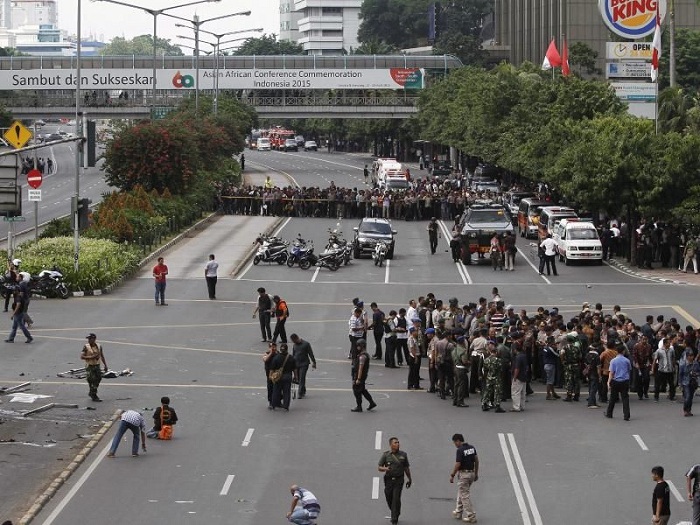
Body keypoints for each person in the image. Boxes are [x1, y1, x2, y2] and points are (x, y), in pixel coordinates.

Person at [378, 436, 412, 525]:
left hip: (399, 480)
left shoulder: (403, 455)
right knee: (389, 497)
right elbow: (379, 467)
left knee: (396, 498)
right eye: (395, 443)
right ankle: (395, 511)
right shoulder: (386, 455)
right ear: (390, 445)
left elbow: (406, 468)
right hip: (389, 480)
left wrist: (410, 479)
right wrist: (385, 469)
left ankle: (394, 519)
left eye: (398, 442)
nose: (397, 444)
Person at [450, 433, 479, 523]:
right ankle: (458, 512)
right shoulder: (472, 447)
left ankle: (471, 516)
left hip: (464, 475)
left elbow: (458, 464)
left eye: (455, 442)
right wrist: (476, 473)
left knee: (464, 496)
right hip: (471, 474)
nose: (455, 444)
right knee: (462, 491)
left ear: (458, 441)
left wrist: (452, 475)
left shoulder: (460, 450)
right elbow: (477, 460)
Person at [605, 343, 631, 420]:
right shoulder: (627, 360)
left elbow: (611, 373)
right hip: (625, 381)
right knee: (625, 398)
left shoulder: (613, 361)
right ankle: (626, 415)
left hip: (616, 381)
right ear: (623, 351)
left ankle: (609, 413)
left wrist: (608, 382)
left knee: (612, 398)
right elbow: (629, 370)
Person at [350, 339, 376, 412]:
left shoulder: (362, 357)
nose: (357, 347)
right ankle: (371, 402)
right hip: (361, 375)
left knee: (357, 391)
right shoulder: (363, 355)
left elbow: (360, 368)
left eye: (358, 346)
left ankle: (359, 406)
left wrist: (358, 378)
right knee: (362, 390)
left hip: (359, 376)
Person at [80, 333, 107, 402]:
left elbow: (102, 356)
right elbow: (82, 356)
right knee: (91, 379)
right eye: (88, 339)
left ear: (94, 339)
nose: (89, 340)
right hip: (90, 366)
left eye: (90, 339)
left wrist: (105, 365)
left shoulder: (99, 346)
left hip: (97, 365)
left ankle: (92, 392)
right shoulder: (86, 347)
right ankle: (94, 394)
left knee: (98, 378)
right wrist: (91, 357)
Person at [270, 343, 297, 410]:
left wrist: (271, 376)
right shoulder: (291, 358)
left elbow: (272, 368)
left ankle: (273, 405)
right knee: (286, 392)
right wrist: (296, 377)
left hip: (278, 376)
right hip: (288, 376)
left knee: (276, 391)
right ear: (287, 349)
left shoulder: (276, 357)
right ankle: (286, 406)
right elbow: (295, 369)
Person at [290, 333, 316, 399]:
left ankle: (300, 393)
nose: (293, 342)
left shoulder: (306, 344)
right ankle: (303, 390)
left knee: (302, 378)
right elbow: (293, 355)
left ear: (296, 338)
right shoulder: (294, 345)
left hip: (304, 364)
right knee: (298, 379)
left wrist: (314, 362)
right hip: (296, 364)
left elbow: (311, 353)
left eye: (294, 341)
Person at [679, 351, 700, 417]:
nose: (691, 357)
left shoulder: (696, 364)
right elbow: (680, 374)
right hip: (686, 382)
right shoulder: (683, 364)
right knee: (687, 397)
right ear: (687, 357)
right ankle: (685, 410)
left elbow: (699, 372)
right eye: (689, 356)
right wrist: (680, 383)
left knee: (690, 397)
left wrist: (696, 374)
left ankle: (689, 410)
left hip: (693, 382)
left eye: (692, 356)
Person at [263, 342, 278, 409]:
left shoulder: (278, 353)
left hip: (277, 374)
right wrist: (271, 353)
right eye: (272, 347)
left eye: (274, 347)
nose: (273, 348)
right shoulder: (266, 353)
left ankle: (278, 401)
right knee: (270, 388)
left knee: (278, 388)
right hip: (269, 375)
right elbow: (265, 359)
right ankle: (271, 402)